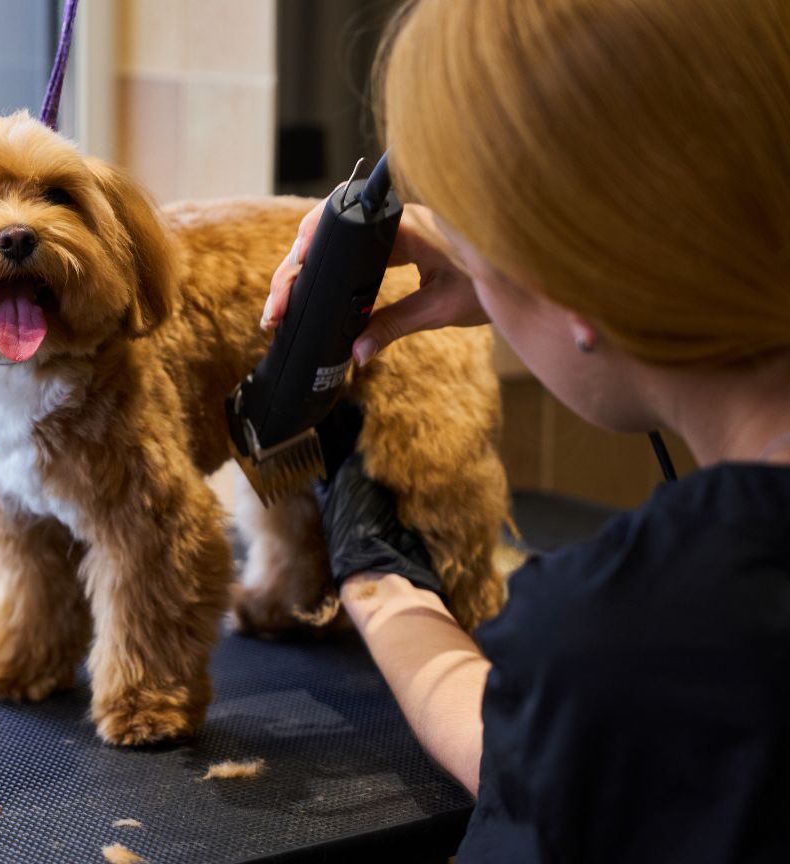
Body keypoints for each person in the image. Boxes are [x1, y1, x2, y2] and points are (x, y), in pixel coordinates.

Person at [260, 0, 790, 860]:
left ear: (579, 282)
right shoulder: (648, 671)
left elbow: (576, 747)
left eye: (477, 237)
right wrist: (390, 600)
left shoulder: (641, 640)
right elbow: (538, 752)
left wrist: (375, 572)